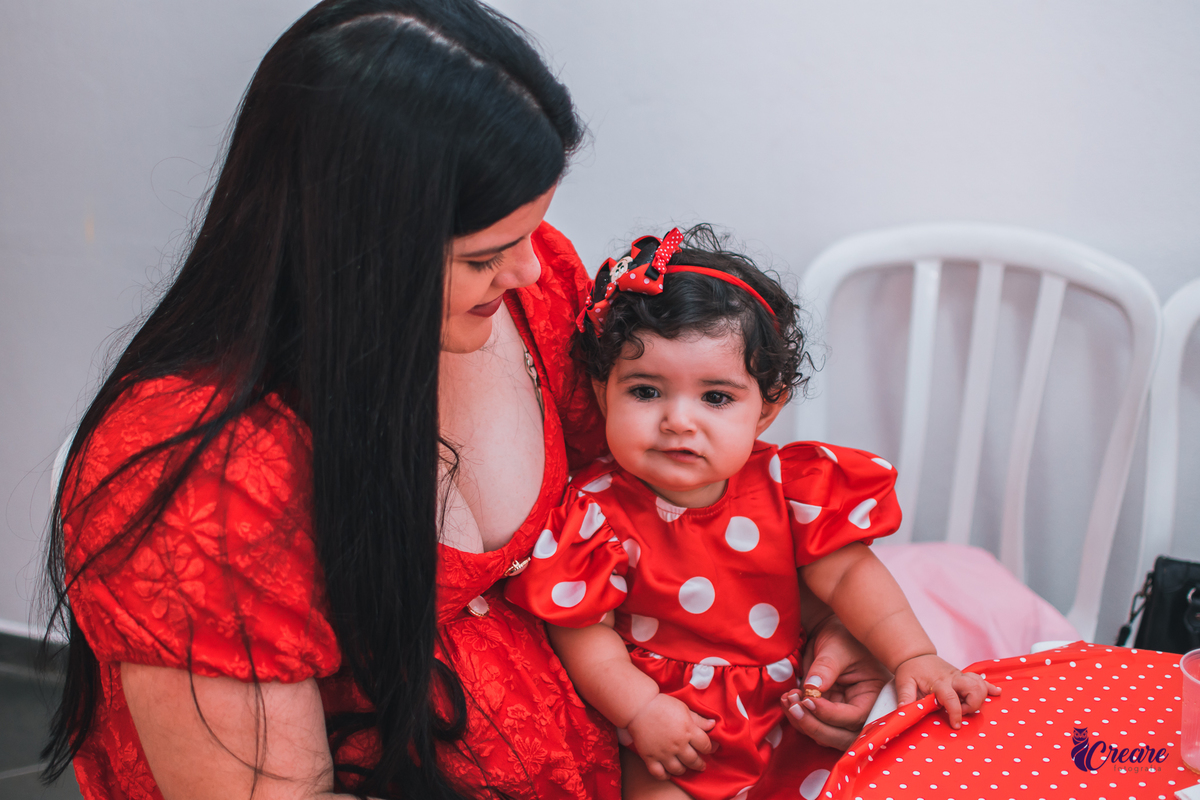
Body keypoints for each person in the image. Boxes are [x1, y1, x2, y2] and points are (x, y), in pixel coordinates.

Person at [41, 3, 888, 800]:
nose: (530, 268)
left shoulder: (533, 288)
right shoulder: (206, 476)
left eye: (529, 233)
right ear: (362, 252)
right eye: (488, 254)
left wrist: (827, 621)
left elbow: (664, 510)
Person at [506, 226, 1001, 800]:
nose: (678, 421)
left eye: (716, 397)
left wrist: (914, 654)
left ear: (765, 410)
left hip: (794, 713)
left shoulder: (790, 486)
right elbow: (584, 633)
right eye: (646, 391)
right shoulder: (594, 512)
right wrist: (641, 710)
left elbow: (848, 574)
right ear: (601, 392)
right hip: (678, 727)